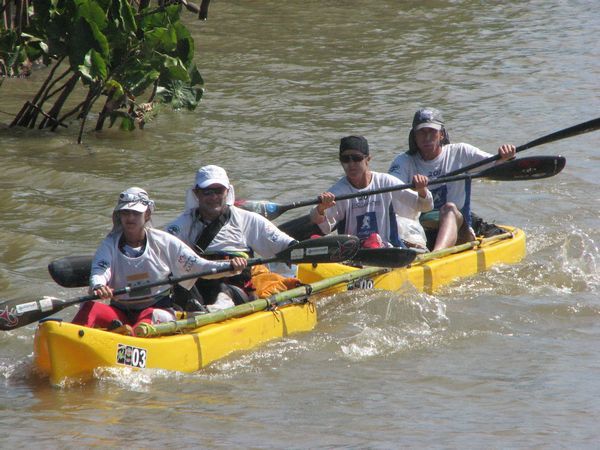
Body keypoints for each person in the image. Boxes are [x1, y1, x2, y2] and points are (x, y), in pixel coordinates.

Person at [72, 187, 247, 334]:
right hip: (120, 311)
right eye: (125, 212)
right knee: (90, 308)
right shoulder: (109, 244)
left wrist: (231, 266)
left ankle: (127, 336)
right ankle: (75, 343)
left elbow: (199, 266)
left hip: (156, 310)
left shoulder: (164, 242)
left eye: (135, 213)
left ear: (147, 214)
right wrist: (98, 286)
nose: (130, 218)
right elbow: (100, 271)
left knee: (148, 318)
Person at [165, 165, 298, 310]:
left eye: (219, 191)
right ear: (196, 193)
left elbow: (283, 244)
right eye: (207, 192)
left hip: (235, 290)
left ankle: (214, 309)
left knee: (223, 289)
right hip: (199, 291)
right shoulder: (181, 225)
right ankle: (187, 311)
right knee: (180, 286)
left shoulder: (248, 220)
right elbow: (161, 253)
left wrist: (297, 248)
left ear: (227, 191)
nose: (214, 197)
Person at [389, 107, 516, 251]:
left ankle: (436, 254)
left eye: (432, 131)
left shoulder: (461, 152)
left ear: (441, 134)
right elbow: (390, 190)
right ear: (414, 137)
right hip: (420, 231)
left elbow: (495, 167)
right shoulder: (403, 162)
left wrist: (506, 157)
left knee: (449, 208)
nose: (427, 137)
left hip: (459, 229)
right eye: (421, 132)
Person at [309, 135, 433, 249]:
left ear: (368, 159)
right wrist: (321, 209)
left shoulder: (385, 182)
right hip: (354, 251)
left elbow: (424, 206)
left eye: (357, 158)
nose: (351, 164)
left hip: (389, 249)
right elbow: (323, 227)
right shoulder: (339, 191)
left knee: (375, 241)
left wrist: (422, 189)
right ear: (341, 162)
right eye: (346, 159)